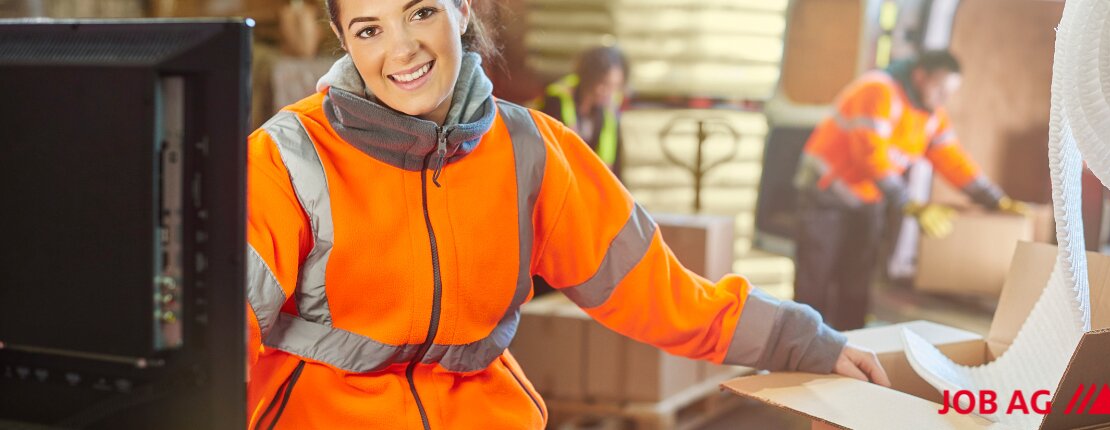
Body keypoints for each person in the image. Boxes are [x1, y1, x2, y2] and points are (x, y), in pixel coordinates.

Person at [244, 0, 888, 428]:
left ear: (460, 8)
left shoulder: (531, 151)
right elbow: (222, 337)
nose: (403, 48)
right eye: (369, 28)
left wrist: (803, 341)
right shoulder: (288, 156)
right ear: (344, 41)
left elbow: (657, 291)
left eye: (420, 11)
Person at [794, 50, 1031, 331]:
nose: (944, 98)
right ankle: (801, 349)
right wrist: (910, 204)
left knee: (857, 280)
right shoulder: (878, 91)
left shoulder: (932, 116)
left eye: (950, 92)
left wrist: (994, 199)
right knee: (815, 278)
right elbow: (870, 157)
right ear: (921, 76)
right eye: (940, 89)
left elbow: (953, 161)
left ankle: (849, 347)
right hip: (826, 193)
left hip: (868, 198)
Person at [535, 45, 628, 178]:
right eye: (604, 84)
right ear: (588, 77)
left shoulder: (609, 110)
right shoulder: (556, 101)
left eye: (615, 86)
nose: (609, 93)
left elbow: (616, 164)